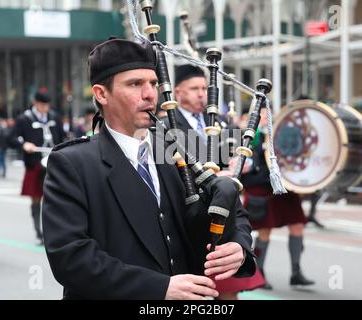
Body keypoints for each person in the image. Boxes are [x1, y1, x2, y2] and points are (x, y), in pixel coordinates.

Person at [41, 38, 255, 299]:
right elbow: (71, 259)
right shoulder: (73, 163)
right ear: (101, 94)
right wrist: (158, 288)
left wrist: (238, 246)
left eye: (153, 83)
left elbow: (231, 207)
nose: (150, 94)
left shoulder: (177, 145)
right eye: (134, 84)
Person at [170, 64, 265, 299]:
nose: (202, 93)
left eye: (204, 87)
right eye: (194, 88)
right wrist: (213, 179)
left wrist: (240, 166)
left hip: (226, 215)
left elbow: (233, 159)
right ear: (177, 92)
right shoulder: (167, 126)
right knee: (197, 291)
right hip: (191, 218)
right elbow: (172, 174)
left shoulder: (219, 122)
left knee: (227, 291)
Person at [238, 107, 315, 289]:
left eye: (268, 114)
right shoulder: (248, 135)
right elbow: (244, 165)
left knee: (297, 224)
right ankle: (259, 271)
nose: (266, 117)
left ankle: (296, 272)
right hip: (262, 187)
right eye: (262, 114)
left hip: (284, 187)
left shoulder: (283, 134)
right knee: (265, 230)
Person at [8, 90, 66, 244]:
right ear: (35, 103)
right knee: (36, 199)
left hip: (54, 162)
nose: (44, 108)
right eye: (42, 105)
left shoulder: (55, 117)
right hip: (34, 163)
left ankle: (55, 232)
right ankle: (38, 232)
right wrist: (24, 144)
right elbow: (11, 138)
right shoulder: (24, 119)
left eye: (47, 105)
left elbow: (63, 137)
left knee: (57, 199)